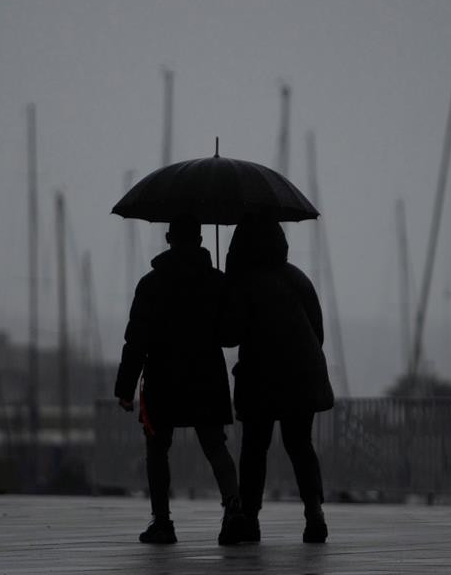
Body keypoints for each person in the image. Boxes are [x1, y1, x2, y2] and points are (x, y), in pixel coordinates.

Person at [115, 215, 244, 545]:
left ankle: (162, 522)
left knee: (157, 448)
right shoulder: (217, 282)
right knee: (215, 446)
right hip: (206, 377)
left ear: (169, 239)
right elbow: (230, 336)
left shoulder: (151, 284)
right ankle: (233, 508)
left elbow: (136, 340)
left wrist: (125, 388)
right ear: (201, 241)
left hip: (163, 378)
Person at [221, 215, 334, 543]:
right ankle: (315, 514)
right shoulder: (298, 279)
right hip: (303, 377)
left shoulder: (245, 283)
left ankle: (250, 519)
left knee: (254, 448)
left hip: (261, 380)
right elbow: (318, 333)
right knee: (300, 445)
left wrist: (227, 282)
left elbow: (228, 335)